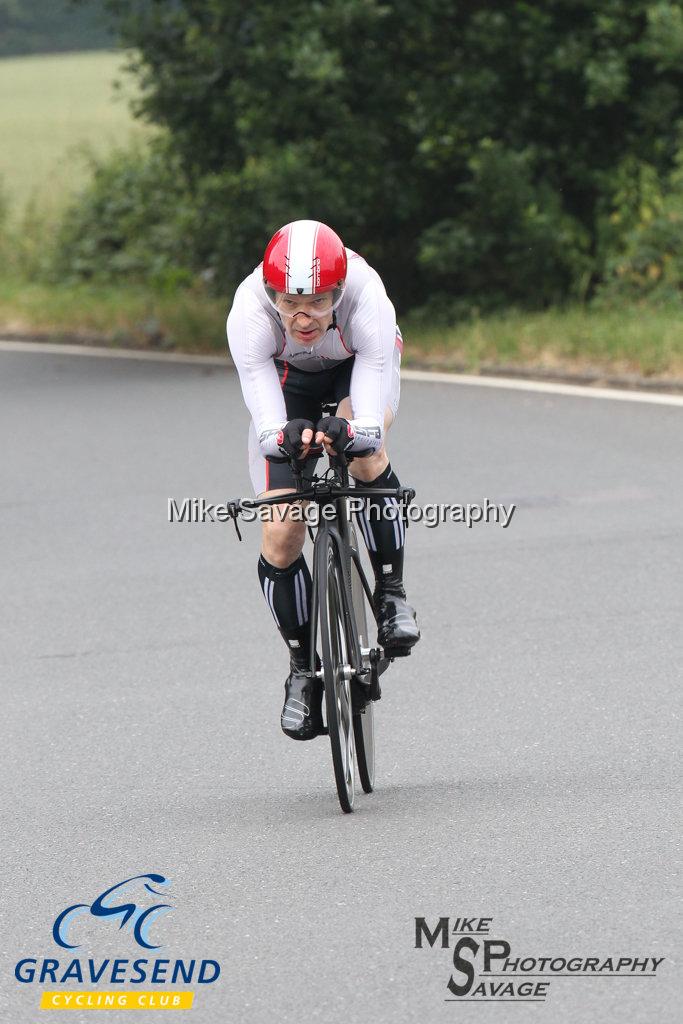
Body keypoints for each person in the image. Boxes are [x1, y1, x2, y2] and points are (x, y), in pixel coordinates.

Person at [226, 219, 419, 741]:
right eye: (289, 302)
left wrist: (351, 429)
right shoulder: (249, 312)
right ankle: (303, 667)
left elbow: (372, 419)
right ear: (271, 294)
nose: (303, 316)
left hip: (356, 370)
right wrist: (289, 437)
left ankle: (392, 594)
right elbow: (268, 429)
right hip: (287, 387)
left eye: (317, 302)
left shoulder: (367, 295)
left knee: (364, 455)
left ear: (339, 290)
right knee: (281, 529)